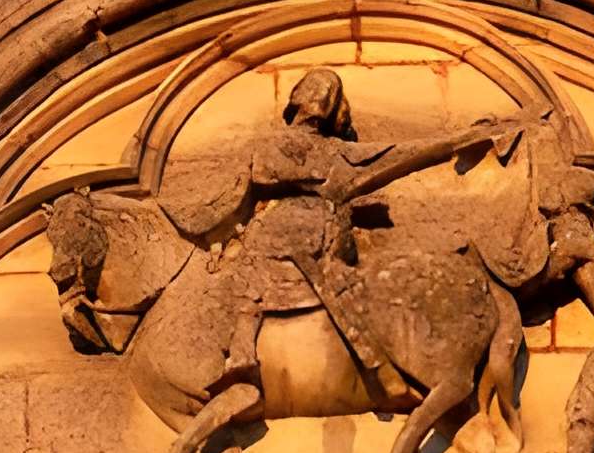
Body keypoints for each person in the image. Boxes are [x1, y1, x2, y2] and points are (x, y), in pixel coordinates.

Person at [163, 67, 509, 387]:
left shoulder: (316, 152)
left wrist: (463, 137)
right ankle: (262, 351)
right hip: (305, 239)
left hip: (306, 240)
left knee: (250, 276)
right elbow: (229, 198)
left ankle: (245, 353)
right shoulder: (324, 153)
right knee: (252, 275)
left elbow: (403, 153)